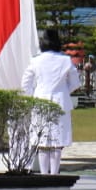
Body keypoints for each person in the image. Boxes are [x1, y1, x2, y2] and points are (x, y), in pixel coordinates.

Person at [21, 29, 81, 175]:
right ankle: (54, 173)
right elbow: (75, 83)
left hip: (40, 101)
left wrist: (33, 95)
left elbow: (25, 83)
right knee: (57, 141)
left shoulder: (36, 60)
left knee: (42, 141)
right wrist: (63, 91)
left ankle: (43, 173)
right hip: (60, 102)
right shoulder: (65, 60)